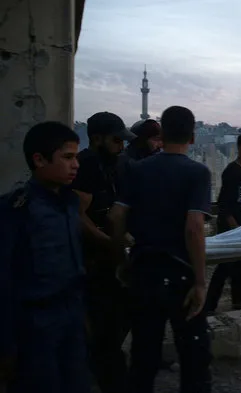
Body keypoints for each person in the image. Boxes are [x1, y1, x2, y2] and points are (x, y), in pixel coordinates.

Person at [109, 106, 213, 393]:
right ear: (192, 137)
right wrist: (201, 282)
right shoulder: (197, 173)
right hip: (181, 276)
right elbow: (194, 228)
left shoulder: (138, 169)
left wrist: (121, 260)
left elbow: (116, 216)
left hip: (143, 271)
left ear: (163, 134)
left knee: (143, 357)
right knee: (194, 361)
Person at [0, 122, 90, 393]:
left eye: (76, 157)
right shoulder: (16, 209)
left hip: (70, 316)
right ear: (39, 160)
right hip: (35, 324)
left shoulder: (70, 203)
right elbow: (3, 278)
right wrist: (5, 344)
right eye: (67, 157)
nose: (75, 165)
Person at [72, 111, 136, 393]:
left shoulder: (116, 164)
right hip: (94, 260)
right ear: (96, 138)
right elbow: (77, 214)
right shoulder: (85, 165)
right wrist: (105, 240)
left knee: (122, 318)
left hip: (114, 257)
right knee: (104, 328)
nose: (121, 146)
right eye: (116, 140)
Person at [206, 133, 241, 314]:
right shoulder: (231, 171)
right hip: (230, 225)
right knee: (225, 265)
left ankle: (239, 300)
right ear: (240, 148)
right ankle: (209, 306)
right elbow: (224, 203)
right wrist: (234, 226)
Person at [116, 119, 162, 190]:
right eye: (156, 139)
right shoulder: (124, 163)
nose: (161, 144)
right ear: (141, 141)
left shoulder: (149, 160)